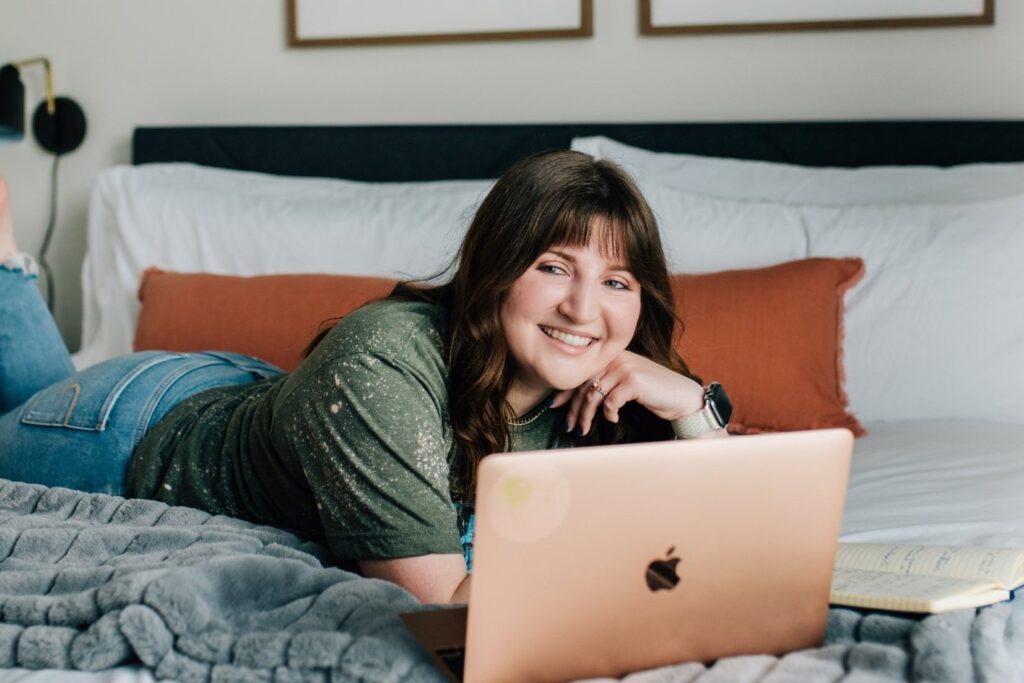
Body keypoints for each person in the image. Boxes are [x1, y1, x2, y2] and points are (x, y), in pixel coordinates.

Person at [0, 151, 726, 605]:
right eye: (554, 267)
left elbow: (728, 538)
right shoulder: (382, 364)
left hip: (263, 394)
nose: (583, 309)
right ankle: (6, 272)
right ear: (498, 268)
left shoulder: (617, 386)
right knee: (19, 416)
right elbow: (444, 605)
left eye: (618, 281)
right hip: (127, 431)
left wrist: (693, 406)